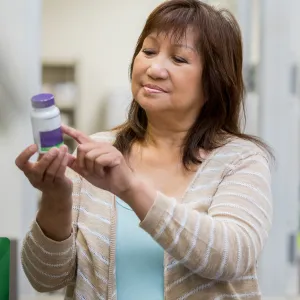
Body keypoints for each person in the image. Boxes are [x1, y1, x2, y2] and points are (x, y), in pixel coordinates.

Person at [16, 0, 273, 299]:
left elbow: (232, 257)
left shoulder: (240, 160)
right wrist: (56, 198)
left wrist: (129, 188)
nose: (154, 68)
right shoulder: (97, 150)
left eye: (178, 59)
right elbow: (45, 278)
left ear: (213, 80)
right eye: (148, 51)